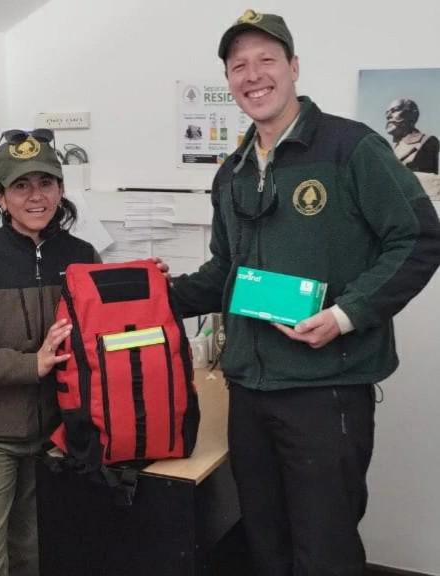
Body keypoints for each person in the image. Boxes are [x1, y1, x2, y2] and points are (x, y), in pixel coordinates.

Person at [171, 9, 440, 576]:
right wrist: (150, 292)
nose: (253, 74)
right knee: (264, 543)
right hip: (250, 388)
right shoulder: (234, 170)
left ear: (293, 67)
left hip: (326, 392)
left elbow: (418, 238)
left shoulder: (352, 147)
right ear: (229, 81)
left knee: (325, 549)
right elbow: (227, 271)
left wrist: (345, 316)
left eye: (266, 59)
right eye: (238, 65)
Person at [0, 129, 100, 576]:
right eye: (20, 185)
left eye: (45, 183)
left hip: (57, 434)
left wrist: (141, 282)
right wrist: (33, 364)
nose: (36, 196)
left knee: (37, 554)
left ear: (61, 189)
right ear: (0, 197)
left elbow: (100, 339)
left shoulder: (82, 255)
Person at [385, 97, 440, 173]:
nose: (388, 116)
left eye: (395, 110)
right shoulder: (391, 150)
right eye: (387, 113)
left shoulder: (426, 141)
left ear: (412, 114)